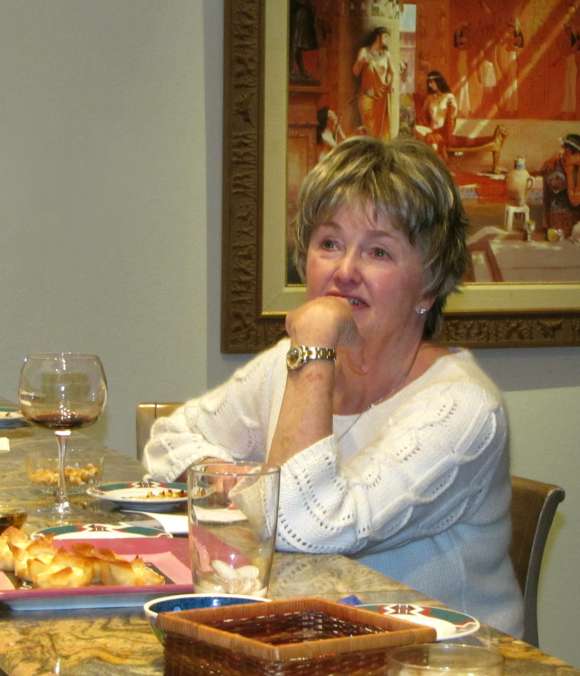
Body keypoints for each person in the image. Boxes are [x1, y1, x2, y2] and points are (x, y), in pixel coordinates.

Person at [143, 136, 524, 637]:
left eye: (378, 251)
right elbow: (167, 442)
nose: (345, 272)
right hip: (317, 645)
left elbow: (299, 527)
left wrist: (315, 348)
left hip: (441, 661)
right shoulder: (289, 364)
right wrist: (249, 484)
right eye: (329, 244)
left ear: (430, 284)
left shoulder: (463, 408)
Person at [352, 26, 394, 140]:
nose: (387, 40)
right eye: (385, 37)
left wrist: (390, 84)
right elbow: (355, 72)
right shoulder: (364, 51)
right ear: (377, 37)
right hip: (368, 95)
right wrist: (361, 62)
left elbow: (391, 72)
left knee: (382, 130)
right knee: (369, 129)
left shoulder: (386, 54)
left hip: (382, 96)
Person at [415, 70, 458, 161]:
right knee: (416, 129)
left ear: (438, 82)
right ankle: (435, 154)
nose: (430, 85)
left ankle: (437, 156)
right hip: (431, 129)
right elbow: (422, 114)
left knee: (433, 143)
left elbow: (453, 116)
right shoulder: (430, 98)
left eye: (432, 82)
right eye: (429, 83)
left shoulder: (449, 97)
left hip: (444, 131)